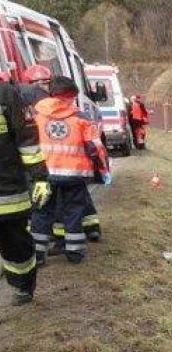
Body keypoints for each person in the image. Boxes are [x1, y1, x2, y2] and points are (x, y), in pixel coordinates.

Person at [32, 77, 111, 265]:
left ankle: (38, 255)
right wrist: (103, 170)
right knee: (74, 211)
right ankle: (75, 253)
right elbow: (95, 147)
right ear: (71, 96)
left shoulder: (36, 114)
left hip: (44, 173)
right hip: (75, 175)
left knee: (42, 212)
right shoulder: (81, 118)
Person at [0, 78, 49, 305]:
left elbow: (28, 140)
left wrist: (40, 177)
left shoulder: (7, 95)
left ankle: (22, 286)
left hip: (7, 190)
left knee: (15, 243)